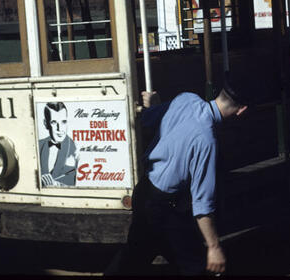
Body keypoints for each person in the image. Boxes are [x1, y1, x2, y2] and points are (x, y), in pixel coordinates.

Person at [106, 74, 251, 276]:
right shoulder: (206, 141)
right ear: (242, 110)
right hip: (164, 209)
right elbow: (202, 205)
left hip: (144, 192)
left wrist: (155, 105)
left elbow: (149, 118)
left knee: (133, 259)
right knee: (196, 267)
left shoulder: (186, 98)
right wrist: (214, 247)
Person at [38, 102, 79, 187]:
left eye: (63, 122)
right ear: (46, 124)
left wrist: (55, 184)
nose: (59, 129)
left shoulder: (75, 148)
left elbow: (76, 184)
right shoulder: (38, 145)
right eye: (54, 122)